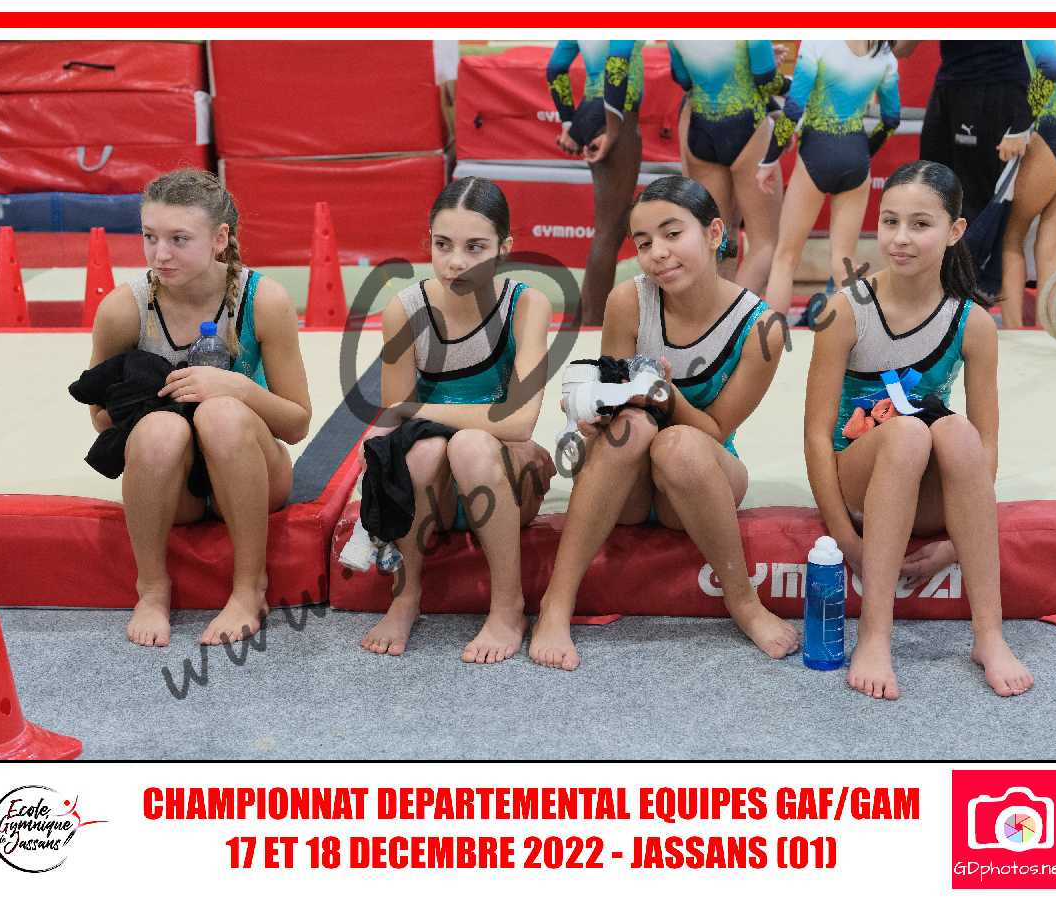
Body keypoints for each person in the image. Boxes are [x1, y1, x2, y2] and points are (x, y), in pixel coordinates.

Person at [529, 175, 798, 671]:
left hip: (699, 473)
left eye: (673, 234)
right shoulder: (629, 302)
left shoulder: (761, 328)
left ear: (714, 233)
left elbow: (715, 430)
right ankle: (556, 603)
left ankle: (743, 601)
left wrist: (667, 395)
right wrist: (591, 417)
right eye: (644, 242)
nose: (658, 253)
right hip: (628, 480)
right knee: (633, 427)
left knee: (677, 444)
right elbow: (612, 404)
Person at [804, 160, 1034, 700]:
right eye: (890, 221)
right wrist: (844, 537)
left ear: (955, 231)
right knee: (909, 433)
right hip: (861, 480)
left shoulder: (973, 323)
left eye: (920, 224)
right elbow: (816, 434)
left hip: (925, 489)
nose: (900, 238)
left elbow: (986, 444)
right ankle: (874, 635)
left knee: (957, 433)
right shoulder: (846, 311)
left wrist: (955, 543)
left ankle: (989, 634)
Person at [87, 168, 312, 647]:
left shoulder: (263, 301)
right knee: (160, 429)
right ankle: (152, 589)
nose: (160, 254)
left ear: (219, 239)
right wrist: (145, 399)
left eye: (179, 239)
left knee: (220, 413)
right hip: (176, 486)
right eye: (150, 237)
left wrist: (236, 388)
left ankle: (249, 589)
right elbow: (101, 421)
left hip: (254, 471)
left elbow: (296, 424)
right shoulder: (125, 309)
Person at [360, 176, 556, 663]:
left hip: (506, 480)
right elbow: (396, 425)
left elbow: (520, 422)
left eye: (475, 248)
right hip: (436, 494)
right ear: (428, 241)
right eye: (443, 245)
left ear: (505, 247)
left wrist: (417, 410)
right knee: (422, 451)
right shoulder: (406, 311)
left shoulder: (526, 305)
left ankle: (508, 607)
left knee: (469, 445)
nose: (456, 262)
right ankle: (406, 596)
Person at [759, 40, 901, 315]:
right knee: (844, 261)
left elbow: (794, 109)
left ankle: (773, 337)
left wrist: (769, 159)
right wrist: (863, 154)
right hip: (856, 155)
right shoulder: (885, 54)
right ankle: (852, 337)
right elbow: (891, 120)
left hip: (816, 150)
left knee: (785, 258)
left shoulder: (818, 40)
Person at [668, 40, 789, 295]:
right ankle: (734, 316)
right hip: (746, 127)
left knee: (719, 239)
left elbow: (684, 79)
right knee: (766, 245)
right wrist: (799, 86)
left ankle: (715, 314)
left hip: (701, 127)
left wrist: (746, 64)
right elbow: (767, 82)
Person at [547, 40, 644, 326]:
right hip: (616, 113)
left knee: (610, 229)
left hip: (590, 110)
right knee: (608, 231)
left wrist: (569, 122)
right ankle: (592, 324)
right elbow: (617, 61)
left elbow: (555, 68)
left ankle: (584, 318)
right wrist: (614, 130)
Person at [901, 41, 1036, 223]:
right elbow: (902, 49)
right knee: (931, 184)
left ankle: (977, 241)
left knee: (974, 198)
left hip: (993, 87)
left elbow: (1051, 67)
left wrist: (1022, 125)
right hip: (948, 84)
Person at [999, 40, 1056, 329]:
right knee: (1052, 246)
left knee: (1010, 235)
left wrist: (1023, 124)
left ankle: (1015, 336)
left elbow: (1050, 66)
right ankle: (1048, 336)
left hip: (1054, 126)